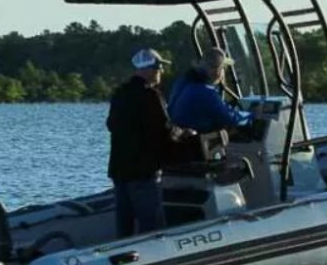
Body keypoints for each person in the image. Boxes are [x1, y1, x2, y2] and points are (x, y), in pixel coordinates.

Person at [106, 47, 190, 238]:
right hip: (144, 171)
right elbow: (164, 130)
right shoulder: (151, 95)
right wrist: (184, 133)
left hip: (119, 169)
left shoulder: (120, 93)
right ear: (149, 69)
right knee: (151, 223)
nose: (161, 71)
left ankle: (123, 250)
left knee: (124, 222)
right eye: (159, 67)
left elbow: (111, 124)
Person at [167, 46, 254, 133]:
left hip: (178, 135)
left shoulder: (182, 82)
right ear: (217, 72)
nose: (224, 72)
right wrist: (252, 116)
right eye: (224, 68)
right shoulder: (207, 93)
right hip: (195, 138)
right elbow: (230, 118)